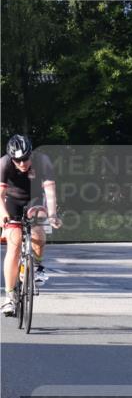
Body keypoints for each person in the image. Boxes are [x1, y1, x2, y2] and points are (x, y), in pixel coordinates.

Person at [1, 135, 60, 315]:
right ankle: (10, 297)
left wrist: (53, 215)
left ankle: (36, 266)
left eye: (25, 159)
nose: (22, 163)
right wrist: (3, 214)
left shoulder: (43, 161)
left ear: (31, 154)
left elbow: (49, 190)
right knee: (14, 243)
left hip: (34, 199)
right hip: (11, 201)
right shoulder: (4, 164)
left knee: (38, 227)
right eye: (17, 160)